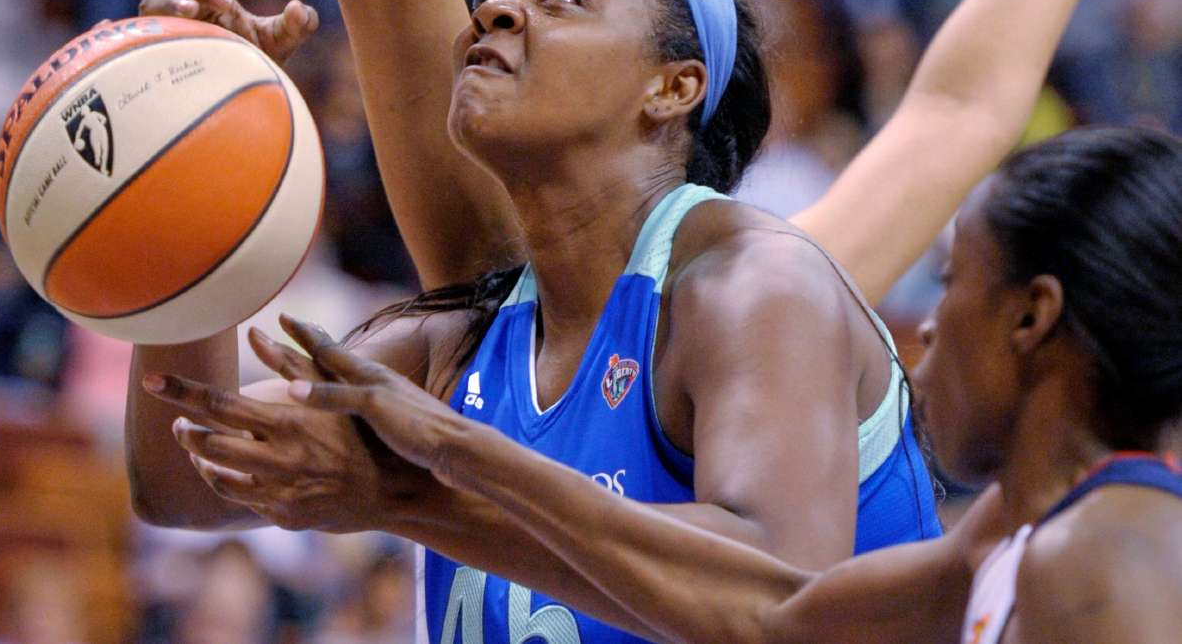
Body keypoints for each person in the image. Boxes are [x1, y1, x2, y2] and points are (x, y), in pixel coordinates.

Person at [131, 0, 1093, 642]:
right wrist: (199, 164)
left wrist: (408, 492)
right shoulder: (468, 338)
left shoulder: (754, 285)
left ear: (673, 86)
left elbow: (778, 598)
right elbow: (180, 476)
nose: (495, 14)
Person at [276, 125, 1182, 644]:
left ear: (1032, 317)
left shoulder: (1105, 560)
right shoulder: (1012, 535)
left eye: (953, 285)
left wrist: (449, 462)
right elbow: (769, 615)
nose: (930, 325)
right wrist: (430, 478)